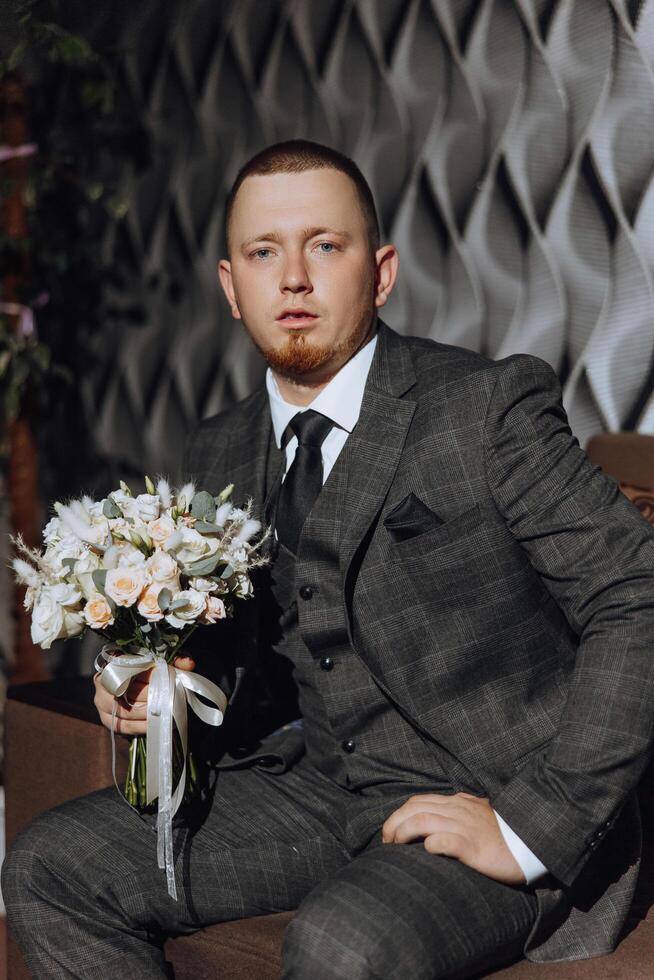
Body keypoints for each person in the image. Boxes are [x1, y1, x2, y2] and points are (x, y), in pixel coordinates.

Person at [4, 139, 654, 980]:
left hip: (484, 792)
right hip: (309, 785)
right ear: (231, 289)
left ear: (380, 273)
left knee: (341, 946)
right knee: (49, 866)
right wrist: (151, 677)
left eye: (326, 245)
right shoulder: (219, 449)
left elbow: (636, 593)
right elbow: (235, 659)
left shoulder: (485, 409)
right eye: (263, 252)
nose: (294, 279)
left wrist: (531, 826)